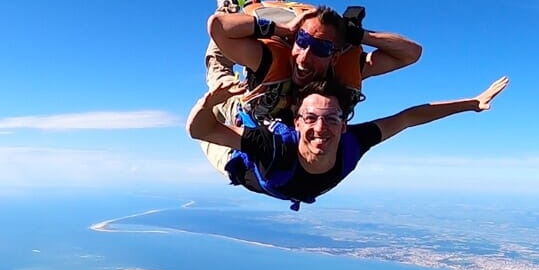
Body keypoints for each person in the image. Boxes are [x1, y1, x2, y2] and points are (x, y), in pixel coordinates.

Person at [187, 75, 510, 209]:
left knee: (235, 100)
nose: (321, 128)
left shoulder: (354, 141)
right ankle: (230, 21)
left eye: (331, 120)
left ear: (344, 126)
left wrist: (471, 104)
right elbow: (201, 129)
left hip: (245, 158)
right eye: (311, 119)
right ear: (298, 124)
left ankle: (243, 90)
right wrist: (210, 99)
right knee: (225, 87)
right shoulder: (273, 146)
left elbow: (409, 117)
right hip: (240, 146)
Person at [206, 0, 423, 124]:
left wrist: (359, 35)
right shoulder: (271, 60)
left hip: (279, 116)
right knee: (218, 69)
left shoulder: (346, 69)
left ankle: (242, 10)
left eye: (320, 48)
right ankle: (231, 5)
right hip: (244, 103)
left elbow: (411, 53)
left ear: (335, 56)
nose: (305, 57)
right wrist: (283, 29)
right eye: (302, 41)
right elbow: (218, 27)